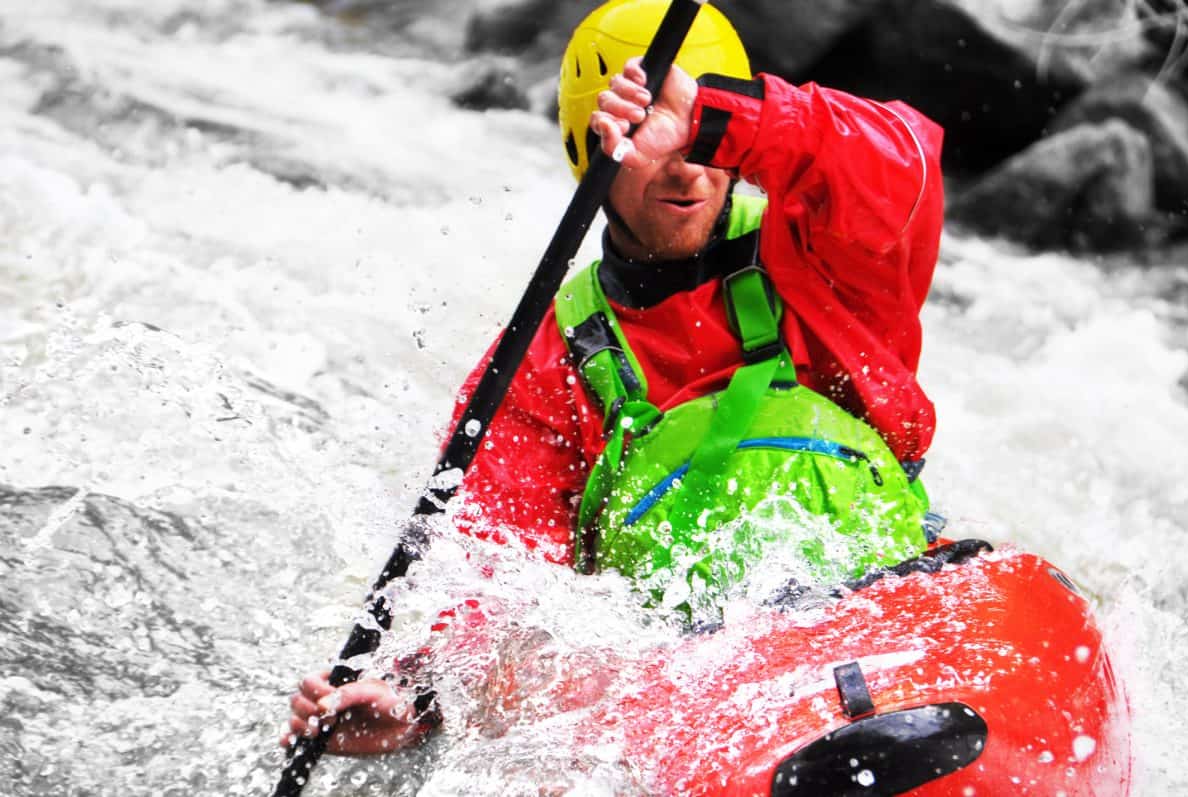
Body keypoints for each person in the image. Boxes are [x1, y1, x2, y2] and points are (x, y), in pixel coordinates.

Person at [283, 0, 944, 757]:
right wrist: (422, 697)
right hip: (702, 687)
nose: (688, 166)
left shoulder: (826, 248)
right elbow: (503, 583)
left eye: (702, 134)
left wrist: (720, 116)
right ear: (589, 146)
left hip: (894, 612)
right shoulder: (543, 358)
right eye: (654, 137)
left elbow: (906, 155)